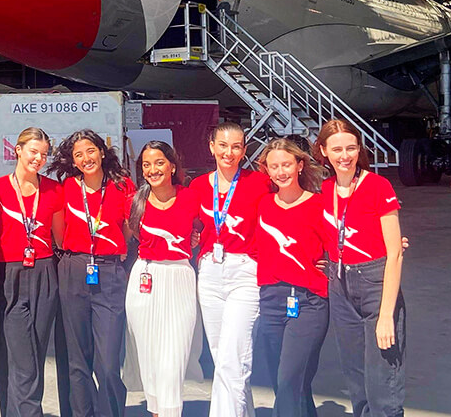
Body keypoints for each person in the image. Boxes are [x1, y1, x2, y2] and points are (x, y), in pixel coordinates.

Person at [315, 120, 406, 417]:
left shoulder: (378, 186)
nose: (345, 155)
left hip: (374, 282)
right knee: (356, 377)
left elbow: (394, 254)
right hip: (339, 282)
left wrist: (386, 315)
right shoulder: (324, 190)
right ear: (324, 151)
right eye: (337, 148)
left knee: (383, 379)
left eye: (351, 148)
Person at [48, 130, 136, 417]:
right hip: (74, 270)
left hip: (109, 273)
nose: (86, 158)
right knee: (78, 361)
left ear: (101, 151)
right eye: (78, 155)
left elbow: (129, 229)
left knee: (109, 363)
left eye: (90, 150)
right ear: (73, 162)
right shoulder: (66, 187)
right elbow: (59, 236)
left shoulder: (122, 186)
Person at [0, 127, 65, 417]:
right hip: (8, 274)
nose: (39, 159)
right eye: (33, 152)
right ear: (18, 150)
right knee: (20, 355)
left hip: (43, 271)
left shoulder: (54, 190)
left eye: (43, 154)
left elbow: (62, 239)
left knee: (37, 352)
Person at [190, 122, 272, 417]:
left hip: (246, 272)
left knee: (233, 359)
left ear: (244, 150)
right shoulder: (198, 186)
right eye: (222, 145)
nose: (229, 152)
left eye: (236, 146)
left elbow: (291, 207)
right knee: (223, 359)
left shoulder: (259, 183)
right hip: (210, 272)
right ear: (212, 146)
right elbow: (186, 224)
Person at [123, 141, 200, 417]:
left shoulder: (191, 197)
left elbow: (208, 229)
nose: (153, 169)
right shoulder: (135, 201)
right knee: (150, 358)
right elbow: (123, 241)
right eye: (146, 164)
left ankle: (168, 412)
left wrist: (198, 238)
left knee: (173, 358)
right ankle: (158, 411)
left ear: (172, 166)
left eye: (159, 162)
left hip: (179, 278)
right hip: (145, 280)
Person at [255, 139, 329, 417]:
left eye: (286, 164)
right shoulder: (263, 204)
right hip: (271, 300)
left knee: (288, 380)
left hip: (308, 302)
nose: (281, 172)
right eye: (274, 166)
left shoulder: (319, 205)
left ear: (300, 165)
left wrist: (392, 241)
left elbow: (342, 242)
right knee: (287, 384)